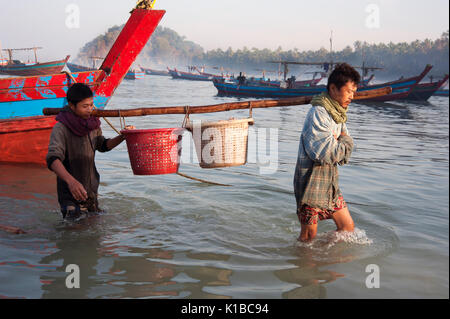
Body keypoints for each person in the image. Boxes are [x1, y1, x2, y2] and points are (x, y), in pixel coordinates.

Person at [293, 63, 360, 242]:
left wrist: (344, 142)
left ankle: (324, 255)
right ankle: (305, 266)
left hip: (329, 184)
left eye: (354, 92)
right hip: (311, 184)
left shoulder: (338, 114)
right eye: (348, 91)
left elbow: (343, 151)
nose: (352, 97)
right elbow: (326, 153)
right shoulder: (319, 113)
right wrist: (345, 141)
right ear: (333, 88)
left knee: (347, 228)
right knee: (308, 236)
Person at [46, 83, 130, 220]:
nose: (90, 109)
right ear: (72, 106)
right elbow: (53, 160)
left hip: (90, 190)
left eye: (91, 105)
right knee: (73, 232)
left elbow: (102, 145)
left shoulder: (93, 125)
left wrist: (123, 136)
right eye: (85, 106)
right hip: (69, 193)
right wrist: (71, 182)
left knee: (94, 231)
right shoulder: (61, 128)